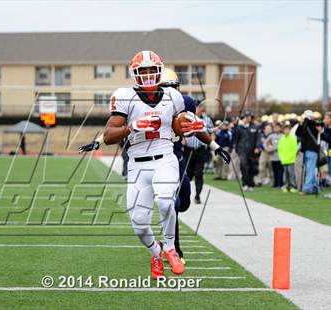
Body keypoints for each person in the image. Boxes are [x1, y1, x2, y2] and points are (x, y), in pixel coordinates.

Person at [101, 50, 230, 279]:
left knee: (165, 201)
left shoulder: (174, 96)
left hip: (165, 158)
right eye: (144, 71)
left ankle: (171, 248)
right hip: (138, 165)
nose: (149, 74)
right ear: (135, 73)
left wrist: (214, 146)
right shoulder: (124, 96)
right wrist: (132, 127)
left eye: (152, 70)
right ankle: (156, 251)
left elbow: (188, 125)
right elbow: (109, 135)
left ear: (160, 71)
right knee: (139, 224)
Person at [183, 104, 214, 203]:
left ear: (202, 108)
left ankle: (197, 195)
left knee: (199, 173)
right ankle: (184, 195)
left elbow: (211, 132)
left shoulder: (207, 120)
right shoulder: (186, 118)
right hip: (189, 149)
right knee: (188, 174)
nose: (196, 109)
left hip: (201, 150)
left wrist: (212, 141)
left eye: (198, 107)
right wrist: (183, 139)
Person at [233, 110, 261, 191]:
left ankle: (251, 184)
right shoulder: (240, 128)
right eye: (246, 116)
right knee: (244, 165)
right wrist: (235, 126)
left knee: (252, 167)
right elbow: (235, 138)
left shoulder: (255, 127)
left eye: (249, 116)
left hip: (252, 151)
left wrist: (257, 147)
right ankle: (245, 183)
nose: (247, 118)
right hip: (242, 150)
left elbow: (258, 138)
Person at [295, 110, 321, 195]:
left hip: (312, 150)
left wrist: (305, 122)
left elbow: (317, 127)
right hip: (307, 150)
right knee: (311, 169)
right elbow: (297, 133)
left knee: (309, 170)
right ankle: (315, 187)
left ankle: (306, 189)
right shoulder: (306, 125)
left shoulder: (313, 124)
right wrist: (301, 123)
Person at [278, 122, 298, 192]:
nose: (286, 131)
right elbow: (279, 149)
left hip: (291, 160)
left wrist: (291, 157)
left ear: (290, 130)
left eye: (288, 129)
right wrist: (281, 158)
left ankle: (293, 186)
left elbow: (294, 149)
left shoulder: (292, 138)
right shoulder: (281, 139)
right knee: (285, 174)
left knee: (291, 174)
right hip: (284, 160)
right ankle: (287, 186)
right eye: (285, 129)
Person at [265, 123, 283, 188]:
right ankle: (275, 183)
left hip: (280, 156)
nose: (276, 129)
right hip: (273, 156)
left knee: (279, 170)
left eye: (278, 127)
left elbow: (280, 146)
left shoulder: (282, 136)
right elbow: (265, 142)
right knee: (274, 170)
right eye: (275, 128)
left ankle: (280, 183)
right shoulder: (271, 136)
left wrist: (273, 149)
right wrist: (268, 149)